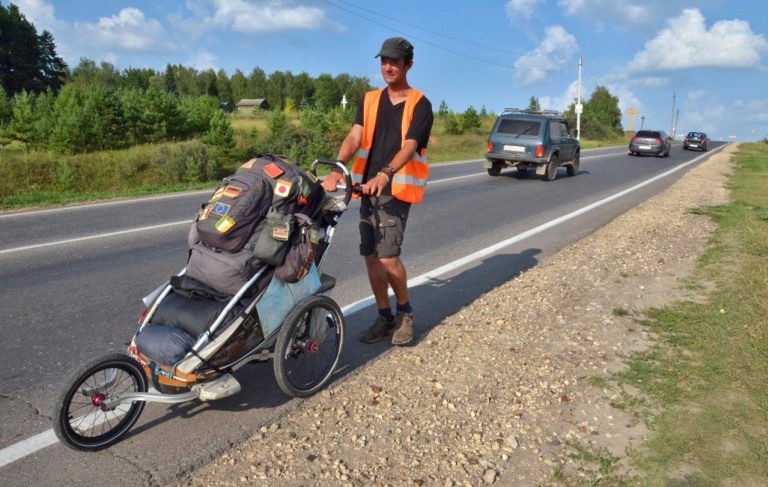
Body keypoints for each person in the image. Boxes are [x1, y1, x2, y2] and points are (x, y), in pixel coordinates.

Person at [323, 37, 433, 346]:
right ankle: (384, 316)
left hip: (395, 188)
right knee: (371, 256)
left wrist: (386, 174)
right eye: (384, 60)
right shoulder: (370, 99)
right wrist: (337, 167)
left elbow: (410, 146)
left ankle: (405, 313)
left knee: (387, 258)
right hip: (365, 188)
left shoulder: (420, 104)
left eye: (394, 62)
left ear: (408, 65)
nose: (387, 66)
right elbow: (355, 135)